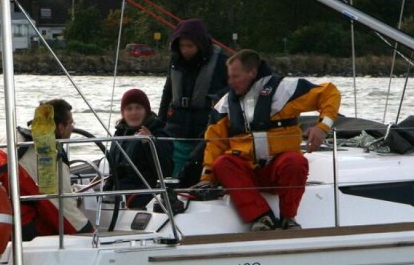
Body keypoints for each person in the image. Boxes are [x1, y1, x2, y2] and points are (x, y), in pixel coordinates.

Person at [197, 49, 341, 231]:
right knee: (223, 163)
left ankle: (289, 218)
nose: (230, 82)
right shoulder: (225, 104)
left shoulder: (286, 90)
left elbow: (329, 93)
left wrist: (322, 128)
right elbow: (215, 142)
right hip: (248, 172)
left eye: (236, 77)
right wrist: (207, 178)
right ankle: (261, 217)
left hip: (279, 168)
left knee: (295, 162)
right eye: (229, 77)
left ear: (252, 73)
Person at [0, 98, 94, 241]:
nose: (73, 127)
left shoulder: (7, 137)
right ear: (60, 127)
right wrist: (89, 232)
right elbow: (62, 211)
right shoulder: (48, 159)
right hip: (3, 225)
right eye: (71, 123)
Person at [157, 18, 229, 178]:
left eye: (190, 46)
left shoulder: (221, 62)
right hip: (176, 129)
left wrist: (218, 97)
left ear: (200, 44)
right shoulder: (175, 61)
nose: (185, 50)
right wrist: (160, 123)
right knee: (172, 173)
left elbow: (234, 88)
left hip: (205, 130)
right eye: (182, 46)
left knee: (196, 172)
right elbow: (167, 92)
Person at [104, 88, 173, 208]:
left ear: (146, 111)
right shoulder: (119, 133)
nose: (134, 113)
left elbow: (166, 171)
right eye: (129, 108)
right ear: (123, 112)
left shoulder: (159, 133)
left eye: (138, 108)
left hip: (144, 194)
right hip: (118, 193)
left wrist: (149, 144)